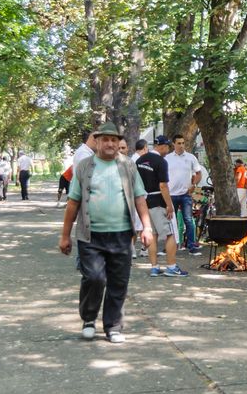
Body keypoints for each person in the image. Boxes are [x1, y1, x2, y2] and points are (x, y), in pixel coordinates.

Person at [59, 122, 154, 343]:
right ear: (97, 141)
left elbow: (139, 198)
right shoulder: (84, 166)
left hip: (122, 234)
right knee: (94, 278)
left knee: (118, 282)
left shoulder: (128, 165)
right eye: (105, 140)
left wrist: (147, 227)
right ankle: (89, 319)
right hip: (91, 235)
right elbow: (73, 202)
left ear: (118, 142)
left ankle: (113, 326)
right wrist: (64, 236)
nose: (110, 144)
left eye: (113, 140)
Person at [136, 137, 187, 276]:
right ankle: (171, 267)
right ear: (163, 146)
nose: (169, 150)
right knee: (170, 235)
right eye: (168, 146)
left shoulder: (139, 161)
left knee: (152, 234)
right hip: (158, 201)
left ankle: (154, 267)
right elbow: (163, 185)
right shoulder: (161, 161)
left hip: (144, 202)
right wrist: (169, 205)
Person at [165, 134, 203, 255]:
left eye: (183, 143)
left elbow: (198, 173)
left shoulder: (191, 157)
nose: (181, 145)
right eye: (179, 143)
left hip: (186, 194)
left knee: (188, 220)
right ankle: (169, 246)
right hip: (171, 194)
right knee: (171, 221)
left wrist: (194, 185)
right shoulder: (167, 158)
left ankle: (191, 245)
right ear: (173, 144)